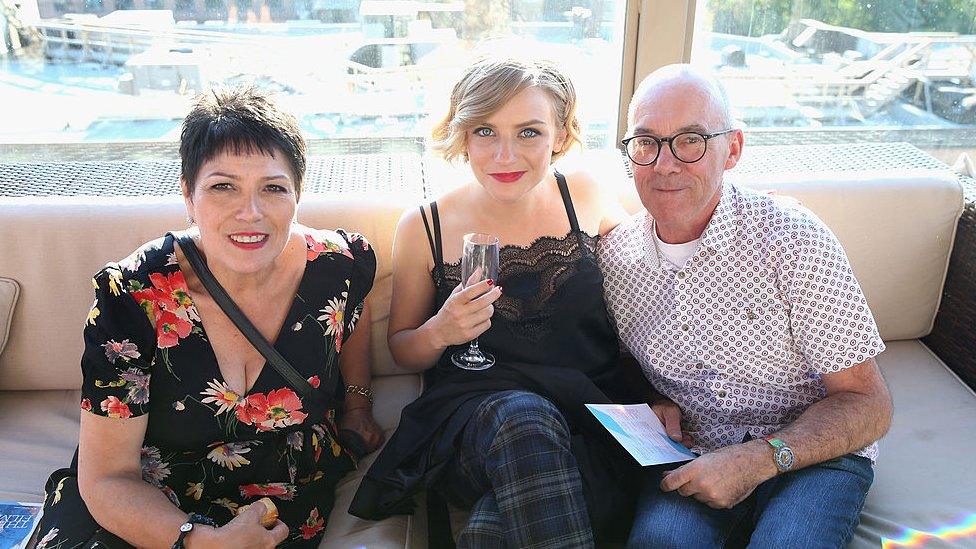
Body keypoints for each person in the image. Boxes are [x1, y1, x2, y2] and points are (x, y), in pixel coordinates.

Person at [33, 86, 384, 548]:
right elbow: (108, 478)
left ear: (298, 195)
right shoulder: (133, 295)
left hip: (276, 498)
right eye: (223, 186)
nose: (250, 213)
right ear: (188, 195)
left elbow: (350, 315)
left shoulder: (340, 265)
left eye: (273, 188)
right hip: (143, 501)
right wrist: (199, 541)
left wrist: (357, 405)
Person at [599, 64, 893, 548]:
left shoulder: (793, 239)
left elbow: (869, 403)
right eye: (646, 142)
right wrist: (656, 402)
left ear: (732, 148)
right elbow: (622, 361)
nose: (664, 164)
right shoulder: (615, 259)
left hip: (813, 454)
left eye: (690, 140)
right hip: (692, 450)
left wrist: (757, 459)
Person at [349, 55, 634, 547]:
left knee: (492, 531)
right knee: (523, 418)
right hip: (475, 422)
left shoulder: (585, 195)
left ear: (560, 136)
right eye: (485, 131)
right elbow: (403, 350)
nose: (505, 155)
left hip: (587, 411)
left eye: (528, 132)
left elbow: (659, 271)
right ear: (462, 135)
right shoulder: (424, 226)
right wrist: (441, 331)